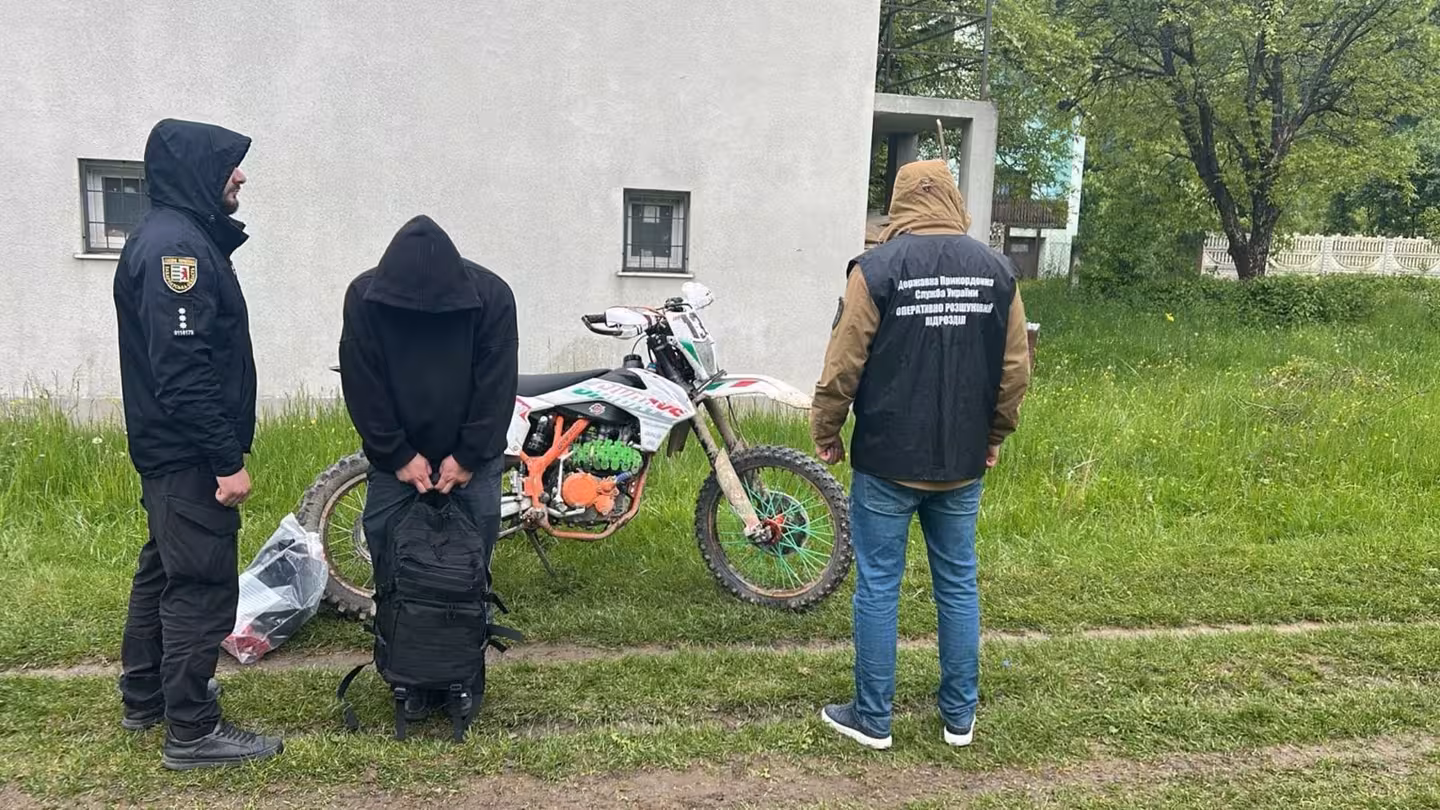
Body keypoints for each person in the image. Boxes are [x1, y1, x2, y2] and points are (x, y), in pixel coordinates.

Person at [810, 159, 1031, 750]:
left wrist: (826, 428)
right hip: (962, 461)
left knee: (879, 585)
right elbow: (1015, 371)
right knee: (957, 583)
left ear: (899, 202)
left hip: (886, 459)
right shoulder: (998, 271)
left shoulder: (876, 268)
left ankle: (872, 718)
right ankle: (959, 717)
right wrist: (994, 436)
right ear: (952, 200)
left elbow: (843, 364)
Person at [113, 119, 284, 769]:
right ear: (194, 170)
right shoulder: (175, 250)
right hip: (188, 455)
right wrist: (226, 460)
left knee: (163, 567)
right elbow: (183, 372)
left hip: (169, 451)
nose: (239, 175)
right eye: (228, 165)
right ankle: (191, 729)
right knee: (200, 584)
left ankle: (145, 696)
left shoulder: (171, 236)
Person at [338, 215, 520, 717]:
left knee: (467, 572)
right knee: (394, 570)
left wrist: (467, 456)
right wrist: (398, 455)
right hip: (396, 466)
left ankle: (461, 673)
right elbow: (362, 383)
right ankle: (407, 675)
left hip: (473, 464)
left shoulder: (491, 297)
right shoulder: (364, 298)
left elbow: (497, 384)